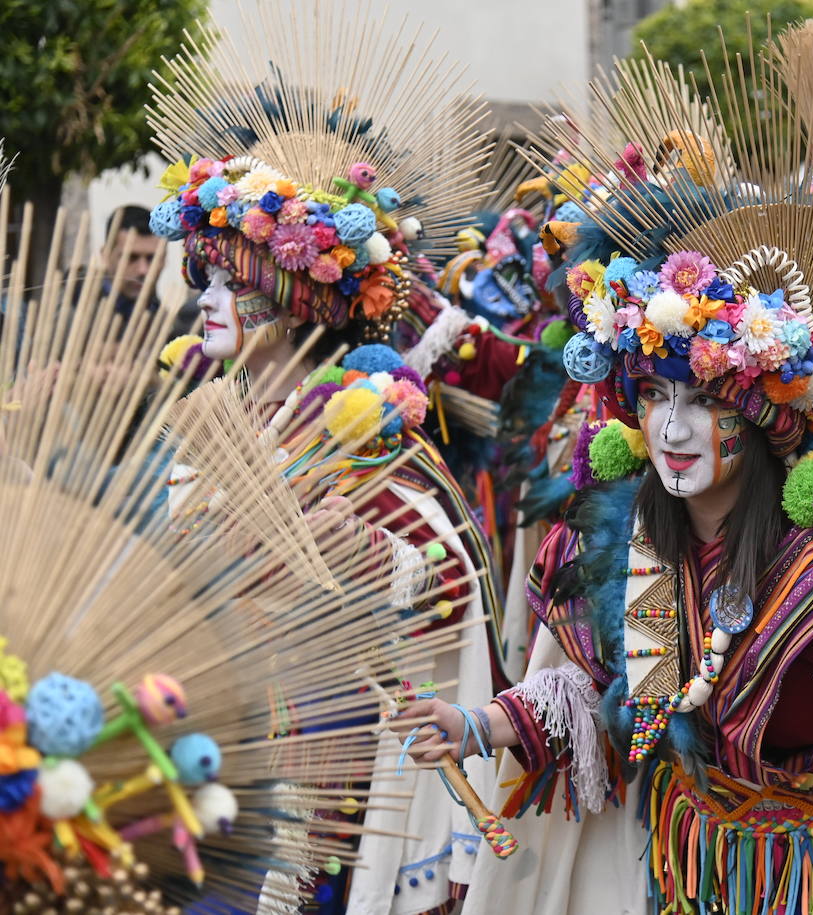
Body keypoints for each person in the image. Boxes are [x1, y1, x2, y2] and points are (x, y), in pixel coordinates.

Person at [395, 19, 813, 915]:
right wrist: (476, 723)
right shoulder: (637, 539)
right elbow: (594, 690)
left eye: (702, 400)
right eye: (654, 395)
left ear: (762, 418)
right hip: (679, 874)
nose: (672, 426)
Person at [142, 2, 504, 911]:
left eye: (232, 280)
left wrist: (366, 556)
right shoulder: (207, 424)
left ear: (294, 295)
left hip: (327, 761)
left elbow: (452, 584)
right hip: (211, 747)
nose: (207, 299)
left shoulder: (363, 433)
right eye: (203, 277)